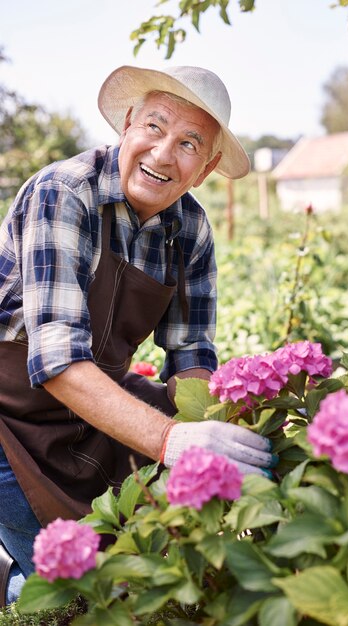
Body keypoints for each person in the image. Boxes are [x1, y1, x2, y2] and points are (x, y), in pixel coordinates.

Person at [0, 65, 278, 605]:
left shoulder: (190, 230)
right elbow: (56, 358)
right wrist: (172, 440)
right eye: (154, 126)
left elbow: (192, 355)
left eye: (189, 143)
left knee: (120, 565)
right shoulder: (66, 193)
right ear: (127, 126)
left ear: (206, 168)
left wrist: (214, 428)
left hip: (90, 409)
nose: (162, 153)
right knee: (60, 586)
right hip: (8, 416)